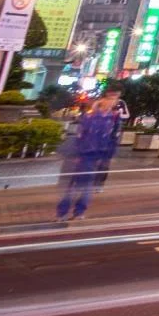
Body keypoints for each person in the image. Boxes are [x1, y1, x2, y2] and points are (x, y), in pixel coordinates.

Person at [55, 91, 122, 222]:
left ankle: (78, 212)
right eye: (110, 99)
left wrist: (109, 157)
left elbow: (115, 138)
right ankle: (63, 213)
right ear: (102, 100)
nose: (112, 102)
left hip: (100, 155)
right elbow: (80, 135)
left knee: (86, 186)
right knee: (76, 184)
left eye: (115, 100)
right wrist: (77, 153)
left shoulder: (114, 118)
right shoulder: (90, 116)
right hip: (85, 154)